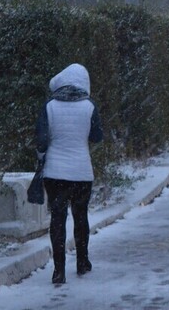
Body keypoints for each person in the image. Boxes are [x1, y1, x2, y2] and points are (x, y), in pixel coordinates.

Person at [35, 63, 103, 285]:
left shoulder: (49, 107)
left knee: (57, 219)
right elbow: (96, 136)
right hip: (82, 171)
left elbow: (42, 140)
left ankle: (59, 271)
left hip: (55, 173)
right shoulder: (90, 106)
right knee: (80, 217)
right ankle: (82, 262)